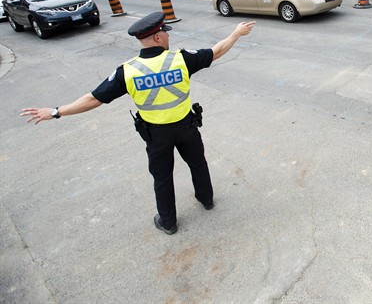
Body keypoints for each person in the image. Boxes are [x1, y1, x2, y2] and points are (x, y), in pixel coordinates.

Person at [21, 12, 256, 235]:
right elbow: (216, 52)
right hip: (187, 127)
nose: (168, 36)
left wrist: (55, 112)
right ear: (157, 37)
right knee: (198, 164)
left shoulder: (128, 71)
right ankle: (206, 200)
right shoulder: (180, 59)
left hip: (157, 136)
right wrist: (236, 33)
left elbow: (93, 99)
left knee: (162, 178)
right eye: (166, 32)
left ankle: (168, 222)